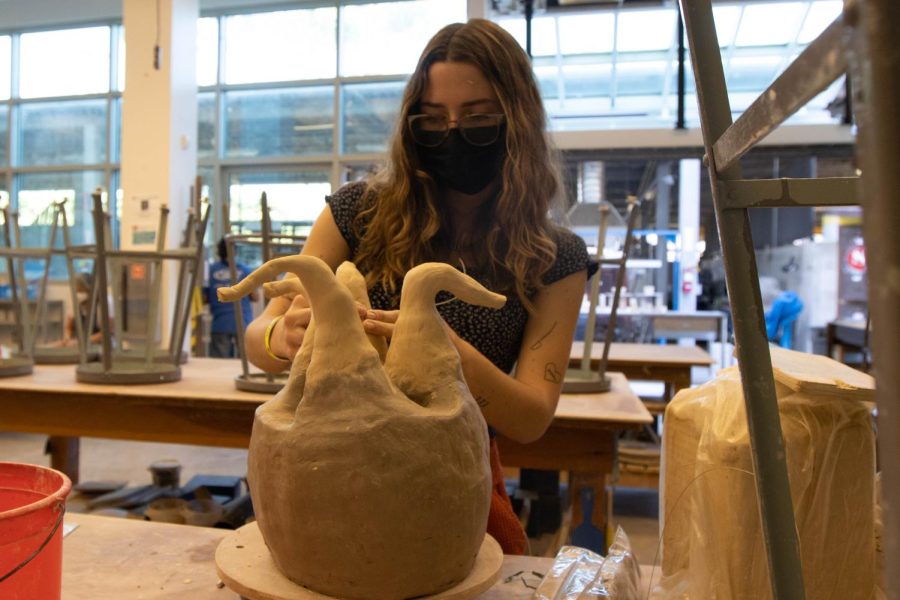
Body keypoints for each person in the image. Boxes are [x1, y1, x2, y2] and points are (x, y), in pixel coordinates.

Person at [244, 19, 591, 555]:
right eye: (433, 120)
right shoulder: (357, 214)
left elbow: (530, 418)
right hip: (330, 460)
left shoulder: (554, 256)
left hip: (451, 469)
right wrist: (281, 337)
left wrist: (446, 352)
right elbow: (259, 336)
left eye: (477, 118)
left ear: (516, 121)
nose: (452, 134)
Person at [205, 237, 257, 358]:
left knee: (220, 366)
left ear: (218, 251)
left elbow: (204, 298)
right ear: (235, 251)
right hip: (243, 322)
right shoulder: (245, 270)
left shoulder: (211, 270)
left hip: (220, 323)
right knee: (244, 363)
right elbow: (255, 297)